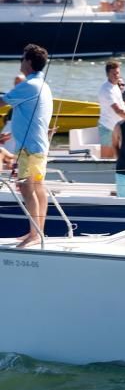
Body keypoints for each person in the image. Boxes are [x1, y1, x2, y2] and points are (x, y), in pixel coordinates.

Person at [1, 44, 53, 247]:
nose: (20, 62)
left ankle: (34, 234)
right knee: (37, 188)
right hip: (38, 147)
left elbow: (2, 102)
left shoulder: (28, 85)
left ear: (29, 62)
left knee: (26, 187)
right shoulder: (43, 85)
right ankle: (37, 231)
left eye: (23, 59)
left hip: (29, 148)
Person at [97, 60, 125, 158]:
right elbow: (118, 110)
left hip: (117, 128)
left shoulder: (115, 86)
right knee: (106, 159)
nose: (116, 76)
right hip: (107, 128)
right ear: (107, 74)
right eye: (113, 73)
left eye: (118, 73)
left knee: (117, 158)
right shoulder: (106, 89)